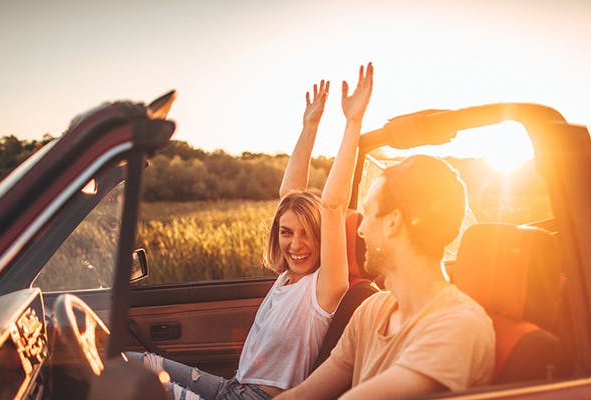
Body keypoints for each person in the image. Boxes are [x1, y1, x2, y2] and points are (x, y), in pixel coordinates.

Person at [127, 63, 374, 400]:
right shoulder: (287, 278)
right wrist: (309, 127)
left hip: (255, 398)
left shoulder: (325, 290)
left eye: (307, 234)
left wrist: (353, 124)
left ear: (322, 237)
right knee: (133, 364)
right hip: (232, 387)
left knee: (136, 390)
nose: (296, 244)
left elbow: (331, 206)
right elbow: (290, 194)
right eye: (287, 233)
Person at [276, 155, 496, 399]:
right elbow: (302, 395)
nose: (360, 229)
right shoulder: (371, 309)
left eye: (368, 213)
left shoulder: (458, 325)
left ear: (393, 222)